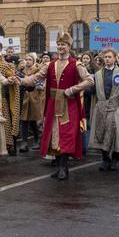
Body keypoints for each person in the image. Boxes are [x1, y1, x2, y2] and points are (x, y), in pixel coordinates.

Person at [16, 32, 94, 180]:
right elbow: (36, 78)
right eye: (58, 44)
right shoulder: (49, 64)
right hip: (52, 104)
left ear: (69, 46)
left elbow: (90, 80)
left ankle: (64, 167)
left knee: (66, 135)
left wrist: (72, 90)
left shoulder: (76, 64)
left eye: (63, 44)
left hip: (68, 104)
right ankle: (59, 167)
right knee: (54, 136)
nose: (60, 47)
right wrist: (21, 80)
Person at [88, 49, 119, 171]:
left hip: (115, 108)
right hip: (101, 108)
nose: (107, 59)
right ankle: (105, 160)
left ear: (115, 59)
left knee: (115, 134)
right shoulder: (98, 75)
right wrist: (81, 88)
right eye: (106, 57)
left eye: (110, 57)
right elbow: (92, 90)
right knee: (102, 134)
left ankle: (115, 160)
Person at [0, 40, 20, 155]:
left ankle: (5, 146)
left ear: (0, 49)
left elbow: (11, 76)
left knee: (2, 125)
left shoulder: (6, 64)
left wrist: (11, 78)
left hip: (0, 100)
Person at [18, 53, 43, 152]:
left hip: (34, 97)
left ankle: (37, 140)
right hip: (24, 98)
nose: (27, 61)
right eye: (26, 59)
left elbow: (38, 85)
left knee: (33, 121)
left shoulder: (38, 71)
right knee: (24, 120)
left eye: (30, 59)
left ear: (33, 61)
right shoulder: (22, 71)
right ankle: (24, 143)